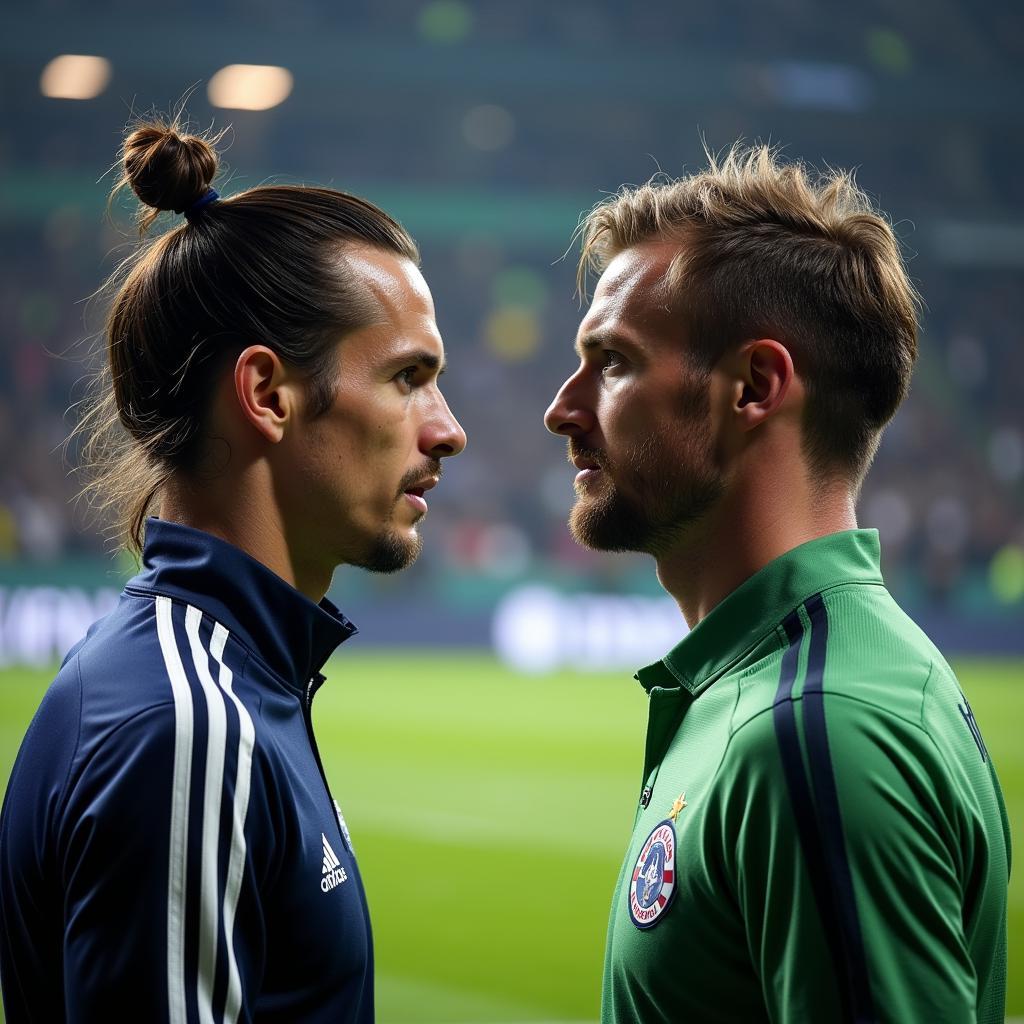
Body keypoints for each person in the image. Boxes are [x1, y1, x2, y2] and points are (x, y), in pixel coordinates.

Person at [0, 118, 466, 1023]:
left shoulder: (217, 681)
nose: (448, 428)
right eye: (409, 378)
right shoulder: (188, 727)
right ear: (266, 395)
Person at [543, 144, 1009, 1023]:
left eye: (611, 363)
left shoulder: (823, 731)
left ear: (754, 386)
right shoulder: (806, 686)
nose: (562, 407)